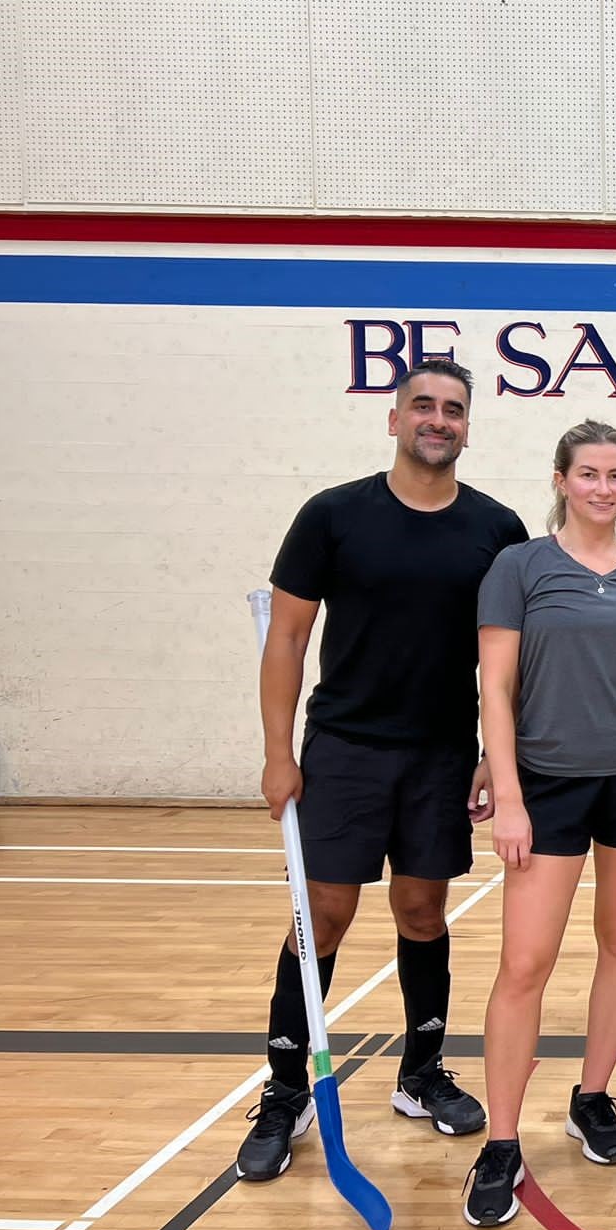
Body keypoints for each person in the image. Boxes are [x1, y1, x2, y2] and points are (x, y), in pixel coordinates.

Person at [242, 359, 526, 1182]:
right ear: (394, 419)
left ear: (468, 428)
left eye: (455, 410)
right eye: (424, 407)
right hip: (344, 750)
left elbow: (505, 658)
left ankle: (420, 1073)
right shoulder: (332, 516)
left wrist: (490, 754)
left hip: (439, 754)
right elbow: (287, 638)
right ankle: (287, 1088)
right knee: (321, 916)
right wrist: (276, 752)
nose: (440, 420)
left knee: (423, 912)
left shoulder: (495, 530)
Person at [462, 421, 616, 1228]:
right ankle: (502, 1141)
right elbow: (495, 691)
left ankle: (593, 1096)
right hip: (548, 786)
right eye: (589, 474)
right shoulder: (520, 567)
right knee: (525, 964)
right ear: (561, 479)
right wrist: (508, 794)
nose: (604, 488)